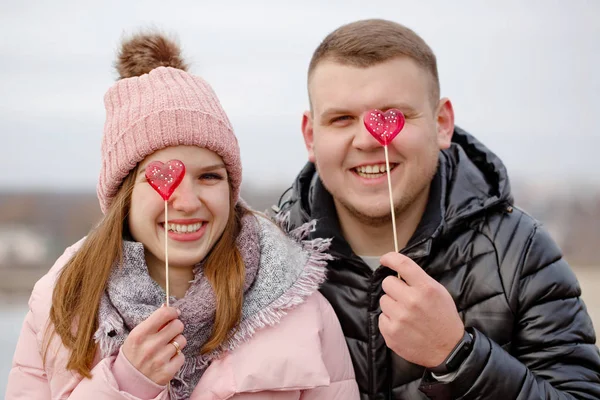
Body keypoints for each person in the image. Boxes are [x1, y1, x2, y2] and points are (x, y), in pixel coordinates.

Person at [6, 31, 358, 400]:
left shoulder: (297, 306)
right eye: (163, 177)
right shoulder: (59, 303)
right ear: (123, 194)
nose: (188, 202)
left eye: (209, 176)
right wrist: (126, 384)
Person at [270, 18, 600, 399]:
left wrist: (458, 356)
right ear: (311, 136)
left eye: (395, 114)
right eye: (341, 119)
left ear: (442, 123)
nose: (368, 140)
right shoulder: (268, 263)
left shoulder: (520, 254)